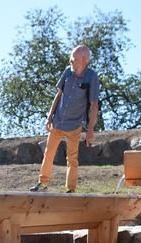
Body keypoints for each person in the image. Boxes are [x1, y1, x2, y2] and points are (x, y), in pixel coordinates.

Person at [29, 45, 100, 194]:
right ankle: (42, 183)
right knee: (48, 153)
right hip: (58, 121)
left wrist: (90, 130)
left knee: (72, 159)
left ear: (82, 60)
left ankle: (70, 189)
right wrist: (49, 118)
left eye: (73, 58)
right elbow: (58, 95)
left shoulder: (92, 77)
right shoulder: (68, 72)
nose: (70, 61)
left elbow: (94, 105)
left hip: (75, 126)